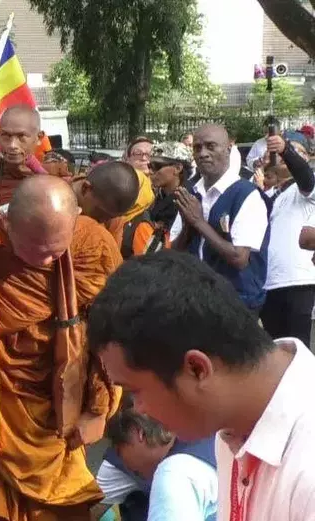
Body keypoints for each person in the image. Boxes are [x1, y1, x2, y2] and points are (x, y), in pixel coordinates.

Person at [0, 175, 121, 520]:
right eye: (36, 250)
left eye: (56, 251)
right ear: (8, 225)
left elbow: (113, 334)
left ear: (75, 221)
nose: (47, 262)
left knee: (62, 504)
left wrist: (98, 407)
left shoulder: (92, 244)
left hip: (60, 406)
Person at [86, 250, 315, 521]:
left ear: (197, 369)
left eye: (135, 391)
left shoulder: (306, 469)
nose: (139, 410)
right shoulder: (231, 430)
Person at [170, 124, 270, 314]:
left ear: (228, 150)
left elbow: (239, 258)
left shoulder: (247, 195)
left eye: (210, 146)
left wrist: (199, 222)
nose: (203, 153)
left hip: (236, 302)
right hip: (197, 298)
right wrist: (188, 229)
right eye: (197, 148)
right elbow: (174, 250)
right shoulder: (191, 193)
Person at [97, 395, 217, 521]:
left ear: (139, 433)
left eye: (118, 448)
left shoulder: (174, 475)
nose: (120, 457)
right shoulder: (215, 431)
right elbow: (96, 502)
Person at [260, 135, 315, 347]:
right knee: (277, 353)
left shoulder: (307, 188)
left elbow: (305, 177)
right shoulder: (275, 194)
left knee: (298, 352)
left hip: (298, 283)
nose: (283, 156)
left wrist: (285, 149)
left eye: (295, 149)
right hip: (269, 284)